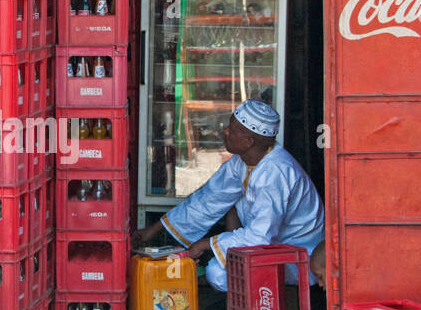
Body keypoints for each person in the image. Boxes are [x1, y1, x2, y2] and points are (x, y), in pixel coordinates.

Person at [133, 99, 326, 294]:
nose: (225, 131)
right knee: (229, 198)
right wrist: (153, 230)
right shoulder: (243, 161)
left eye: (232, 129)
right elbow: (207, 200)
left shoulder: (275, 173)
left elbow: (259, 237)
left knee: (217, 273)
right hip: (272, 244)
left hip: (299, 257)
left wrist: (205, 245)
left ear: (249, 141)